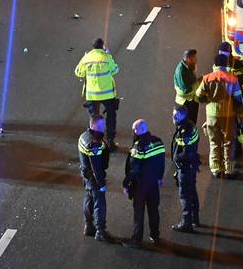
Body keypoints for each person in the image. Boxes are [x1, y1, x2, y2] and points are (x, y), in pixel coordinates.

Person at [195, 53, 243, 178]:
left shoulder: (206, 78)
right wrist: (241, 115)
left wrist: (207, 100)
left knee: (214, 142)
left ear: (215, 65)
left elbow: (199, 95)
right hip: (228, 114)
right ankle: (229, 170)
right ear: (226, 65)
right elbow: (238, 98)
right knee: (228, 142)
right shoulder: (233, 79)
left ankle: (216, 169)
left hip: (211, 114)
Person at [122, 119, 166, 248]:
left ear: (139, 130)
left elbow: (134, 168)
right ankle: (155, 235)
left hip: (140, 185)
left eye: (134, 130)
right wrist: (160, 177)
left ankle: (137, 239)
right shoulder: (158, 141)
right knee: (153, 210)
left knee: (139, 212)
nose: (133, 132)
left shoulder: (138, 146)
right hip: (153, 183)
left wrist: (126, 183)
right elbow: (161, 162)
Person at [75, 38, 119, 150]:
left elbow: (78, 72)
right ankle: (110, 142)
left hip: (92, 95)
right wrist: (108, 54)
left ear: (93, 47)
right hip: (107, 94)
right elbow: (115, 70)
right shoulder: (106, 57)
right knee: (111, 117)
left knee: (94, 119)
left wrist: (84, 57)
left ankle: (95, 143)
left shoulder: (87, 58)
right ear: (103, 46)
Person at [78, 115, 115, 242]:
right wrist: (101, 183)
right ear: (96, 126)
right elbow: (96, 167)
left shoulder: (83, 136)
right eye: (102, 125)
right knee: (100, 202)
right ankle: (100, 231)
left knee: (89, 199)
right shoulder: (94, 143)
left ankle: (88, 226)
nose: (104, 127)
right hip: (94, 178)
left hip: (86, 176)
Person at [170, 106, 201, 233]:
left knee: (184, 195)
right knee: (192, 192)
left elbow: (186, 153)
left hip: (185, 168)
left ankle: (186, 222)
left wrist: (177, 158)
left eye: (175, 115)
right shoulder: (190, 126)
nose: (173, 117)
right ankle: (195, 219)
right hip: (191, 166)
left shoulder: (184, 131)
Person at [172, 49, 200, 123]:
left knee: (192, 122)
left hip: (190, 101)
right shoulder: (181, 72)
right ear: (188, 59)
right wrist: (199, 83)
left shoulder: (188, 66)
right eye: (194, 58)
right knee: (187, 123)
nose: (196, 60)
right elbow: (186, 90)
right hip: (185, 103)